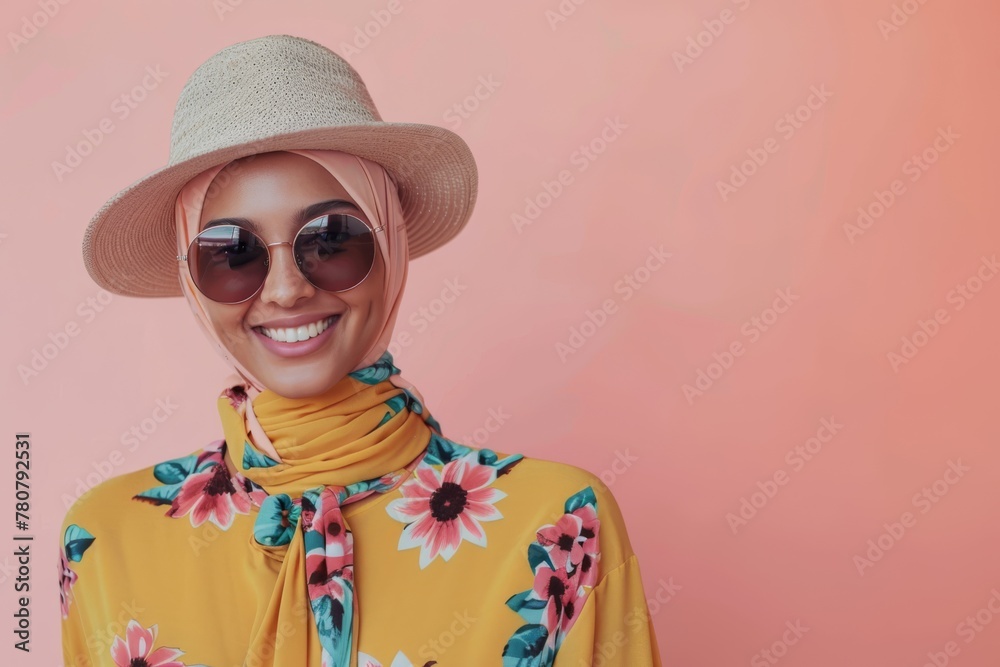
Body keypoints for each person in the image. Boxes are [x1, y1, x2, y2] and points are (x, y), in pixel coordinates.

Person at [59, 34, 663, 667]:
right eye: (231, 254)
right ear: (191, 280)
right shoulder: (104, 544)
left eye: (330, 240)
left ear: (391, 248)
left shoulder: (558, 526)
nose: (288, 291)